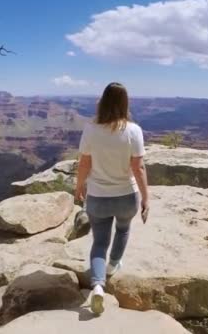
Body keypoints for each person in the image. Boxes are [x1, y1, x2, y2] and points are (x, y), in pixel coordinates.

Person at [74, 82, 149, 315]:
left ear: (103, 102)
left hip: (98, 197)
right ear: (125, 103)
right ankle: (113, 265)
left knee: (99, 242)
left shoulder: (90, 129)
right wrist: (147, 197)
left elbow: (84, 163)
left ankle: (97, 286)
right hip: (127, 195)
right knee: (123, 230)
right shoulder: (134, 131)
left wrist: (79, 186)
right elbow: (139, 168)